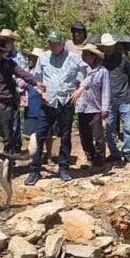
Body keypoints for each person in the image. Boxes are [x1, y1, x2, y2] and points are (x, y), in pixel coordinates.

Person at [26, 32, 82, 185]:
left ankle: (63, 168)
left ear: (63, 43)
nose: (53, 45)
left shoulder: (73, 57)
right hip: (48, 102)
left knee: (65, 136)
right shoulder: (43, 57)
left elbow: (89, 71)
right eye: (51, 43)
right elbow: (37, 78)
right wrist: (39, 93)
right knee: (40, 135)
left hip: (66, 102)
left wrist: (80, 89)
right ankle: (34, 170)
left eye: (56, 43)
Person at [98, 34, 130, 164]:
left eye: (111, 46)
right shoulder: (101, 61)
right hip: (108, 100)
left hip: (124, 98)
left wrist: (128, 90)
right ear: (103, 48)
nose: (109, 49)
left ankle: (127, 152)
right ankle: (114, 152)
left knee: (127, 127)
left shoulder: (123, 59)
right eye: (106, 47)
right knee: (109, 128)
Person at [71, 44, 110, 169]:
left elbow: (106, 90)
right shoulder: (79, 71)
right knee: (84, 135)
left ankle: (99, 159)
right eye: (83, 54)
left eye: (87, 54)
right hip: (82, 107)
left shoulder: (102, 71)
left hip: (95, 107)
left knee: (98, 135)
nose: (84, 56)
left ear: (94, 57)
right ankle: (90, 157)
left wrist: (105, 108)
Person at [0, 29, 28, 157]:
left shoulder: (19, 57)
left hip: (13, 92)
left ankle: (15, 146)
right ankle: (7, 146)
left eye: (8, 41)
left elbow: (24, 75)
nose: (6, 43)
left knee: (14, 121)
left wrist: (17, 88)